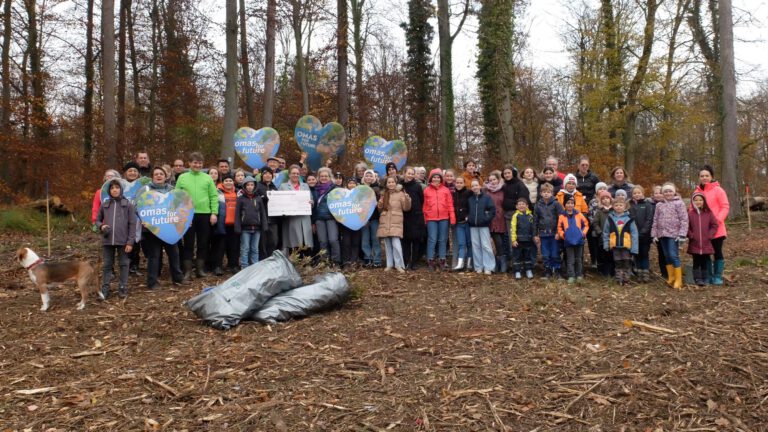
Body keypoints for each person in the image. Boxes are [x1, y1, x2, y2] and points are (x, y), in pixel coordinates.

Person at [140, 167, 187, 289]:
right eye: (156, 174)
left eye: (161, 174)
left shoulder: (172, 190)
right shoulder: (145, 190)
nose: (159, 176)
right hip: (152, 229)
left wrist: (184, 220)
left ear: (166, 176)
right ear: (152, 176)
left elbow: (179, 207)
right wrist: (142, 220)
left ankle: (178, 278)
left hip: (170, 228)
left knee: (174, 253)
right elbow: (137, 206)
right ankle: (152, 282)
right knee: (154, 256)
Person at [175, 151, 219, 279]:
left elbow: (213, 196)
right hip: (188, 215)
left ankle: (200, 270)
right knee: (188, 243)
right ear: (189, 163)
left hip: (205, 214)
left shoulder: (207, 178)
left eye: (200, 163)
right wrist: (180, 214)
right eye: (195, 162)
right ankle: (188, 271)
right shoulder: (182, 177)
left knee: (203, 242)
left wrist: (214, 213)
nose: (197, 165)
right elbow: (177, 197)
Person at [96, 180, 136, 299]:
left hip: (123, 241)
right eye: (112, 188)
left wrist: (130, 242)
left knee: (124, 264)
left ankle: (123, 287)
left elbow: (132, 224)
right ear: (109, 191)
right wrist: (101, 226)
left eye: (117, 187)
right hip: (107, 241)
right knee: (107, 265)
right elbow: (97, 220)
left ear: (121, 189)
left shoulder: (128, 205)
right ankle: (105, 289)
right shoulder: (105, 205)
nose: (114, 190)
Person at [694, 165, 730, 285]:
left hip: (717, 228)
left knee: (717, 252)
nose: (704, 178)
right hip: (702, 229)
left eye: (707, 175)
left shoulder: (718, 190)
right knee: (705, 253)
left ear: (711, 176)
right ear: (699, 177)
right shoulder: (696, 192)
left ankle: (718, 276)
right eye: (702, 176)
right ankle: (708, 275)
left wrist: (717, 221)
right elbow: (692, 209)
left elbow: (725, 207)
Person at [651, 183, 688, 289]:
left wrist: (682, 234)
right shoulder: (659, 205)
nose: (668, 193)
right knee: (666, 256)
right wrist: (654, 234)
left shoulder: (679, 203)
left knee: (673, 255)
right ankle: (671, 277)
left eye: (670, 191)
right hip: (662, 234)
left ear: (674, 192)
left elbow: (684, 220)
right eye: (666, 191)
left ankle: (679, 280)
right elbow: (655, 220)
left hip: (674, 234)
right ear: (663, 193)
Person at [423, 168, 455, 271]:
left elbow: (450, 204)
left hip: (444, 218)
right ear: (431, 178)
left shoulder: (445, 190)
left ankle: (442, 259)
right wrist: (424, 218)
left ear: (441, 179)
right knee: (432, 239)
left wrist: (452, 216)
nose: (436, 179)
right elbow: (424, 205)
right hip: (431, 218)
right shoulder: (426, 190)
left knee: (443, 239)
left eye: (438, 177)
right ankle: (430, 259)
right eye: (434, 177)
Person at [377, 176, 412, 272]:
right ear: (386, 184)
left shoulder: (400, 194)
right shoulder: (384, 194)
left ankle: (399, 264)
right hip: (385, 220)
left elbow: (406, 208)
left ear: (396, 183)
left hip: (396, 221)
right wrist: (379, 204)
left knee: (396, 244)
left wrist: (408, 199)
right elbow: (380, 210)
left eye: (393, 182)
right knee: (387, 244)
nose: (391, 184)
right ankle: (389, 264)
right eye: (389, 182)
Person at [603, 195, 638, 285]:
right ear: (613, 206)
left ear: (625, 206)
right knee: (617, 262)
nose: (618, 207)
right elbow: (606, 232)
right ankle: (619, 278)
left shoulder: (629, 219)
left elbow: (634, 234)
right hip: (615, 245)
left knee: (626, 262)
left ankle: (626, 279)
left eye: (621, 205)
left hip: (626, 246)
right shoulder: (610, 218)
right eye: (616, 205)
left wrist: (634, 248)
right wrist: (606, 244)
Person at [235, 176, 269, 269]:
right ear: (244, 186)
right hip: (245, 229)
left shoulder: (258, 198)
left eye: (252, 185)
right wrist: (237, 227)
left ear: (255, 186)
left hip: (257, 228)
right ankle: (244, 266)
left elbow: (262, 213)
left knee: (255, 249)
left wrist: (264, 225)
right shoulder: (241, 199)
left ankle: (255, 267)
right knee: (245, 248)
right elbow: (237, 214)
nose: (250, 187)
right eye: (248, 185)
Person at [687, 191, 719, 286]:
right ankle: (697, 279)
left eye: (700, 200)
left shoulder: (708, 213)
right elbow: (686, 226)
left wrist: (710, 235)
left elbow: (714, 225)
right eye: (695, 200)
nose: (698, 202)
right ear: (692, 202)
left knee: (705, 261)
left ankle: (705, 278)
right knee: (696, 261)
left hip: (706, 242)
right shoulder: (690, 214)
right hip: (695, 242)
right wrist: (690, 235)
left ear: (704, 201)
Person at [280, 165, 313, 253]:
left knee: (306, 242)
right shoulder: (283, 186)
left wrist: (311, 203)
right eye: (293, 173)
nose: (296, 175)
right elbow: (279, 202)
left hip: (305, 218)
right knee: (293, 243)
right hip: (291, 219)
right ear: (289, 174)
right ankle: (294, 264)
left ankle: (306, 264)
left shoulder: (305, 185)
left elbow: (311, 199)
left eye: (297, 173)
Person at [501, 165, 530, 268]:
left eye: (509, 173)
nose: (507, 175)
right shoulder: (504, 186)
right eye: (505, 173)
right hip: (507, 215)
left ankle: (523, 261)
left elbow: (524, 199)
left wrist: (518, 209)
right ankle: (515, 262)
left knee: (521, 238)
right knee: (511, 239)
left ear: (513, 173)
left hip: (519, 215)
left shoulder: (519, 184)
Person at [534, 183, 564, 279]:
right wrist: (536, 234)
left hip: (554, 233)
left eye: (548, 192)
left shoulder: (556, 204)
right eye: (544, 192)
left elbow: (561, 219)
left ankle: (557, 270)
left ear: (552, 193)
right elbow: (535, 220)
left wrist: (559, 232)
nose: (546, 194)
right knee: (545, 253)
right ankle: (548, 270)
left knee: (555, 252)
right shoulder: (538, 205)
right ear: (541, 193)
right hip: (543, 233)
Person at [211, 174, 240, 275]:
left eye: (230, 181)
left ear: (233, 182)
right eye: (226, 181)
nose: (228, 182)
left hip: (234, 224)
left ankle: (233, 265)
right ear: (222, 182)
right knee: (220, 246)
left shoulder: (238, 193)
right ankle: (217, 266)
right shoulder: (217, 192)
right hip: (221, 223)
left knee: (234, 246)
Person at [312, 167, 341, 265]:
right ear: (319, 177)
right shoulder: (315, 189)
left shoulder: (335, 189)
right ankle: (325, 262)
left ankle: (336, 262)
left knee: (333, 240)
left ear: (330, 177)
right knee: (322, 242)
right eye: (322, 176)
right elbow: (314, 207)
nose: (324, 178)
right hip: (319, 219)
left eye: (326, 176)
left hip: (331, 218)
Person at [558, 196, 589, 284]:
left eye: (572, 203)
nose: (570, 205)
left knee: (578, 259)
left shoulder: (579, 214)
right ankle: (571, 275)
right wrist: (563, 235)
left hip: (579, 240)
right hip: (568, 241)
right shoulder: (562, 216)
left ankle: (579, 274)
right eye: (568, 203)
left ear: (574, 204)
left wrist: (583, 233)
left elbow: (586, 225)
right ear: (565, 205)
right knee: (570, 259)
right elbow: (559, 228)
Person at [468, 179, 496, 274]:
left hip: (483, 225)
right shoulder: (470, 199)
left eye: (476, 185)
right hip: (473, 226)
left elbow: (492, 210)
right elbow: (467, 211)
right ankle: (478, 266)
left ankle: (489, 267)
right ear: (471, 188)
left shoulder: (486, 198)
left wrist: (485, 219)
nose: (475, 187)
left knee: (486, 246)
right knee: (476, 246)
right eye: (472, 186)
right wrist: (468, 218)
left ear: (480, 186)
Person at [401, 167, 425, 270]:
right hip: (405, 216)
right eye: (408, 173)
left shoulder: (417, 186)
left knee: (416, 240)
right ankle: (406, 261)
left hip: (416, 216)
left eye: (412, 174)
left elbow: (422, 200)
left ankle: (414, 262)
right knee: (406, 241)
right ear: (404, 173)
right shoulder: (400, 186)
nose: (410, 175)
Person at [629, 186, 655, 282]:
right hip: (634, 236)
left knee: (644, 254)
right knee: (637, 254)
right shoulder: (630, 206)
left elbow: (649, 219)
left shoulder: (647, 205)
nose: (637, 195)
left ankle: (645, 273)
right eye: (634, 193)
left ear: (643, 193)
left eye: (638, 192)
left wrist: (643, 232)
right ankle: (639, 273)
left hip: (645, 236)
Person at [485, 171, 508, 273]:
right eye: (490, 180)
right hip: (492, 219)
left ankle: (502, 263)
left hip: (502, 218)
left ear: (498, 180)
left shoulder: (503, 190)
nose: (492, 182)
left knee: (503, 242)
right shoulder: (486, 192)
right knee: (497, 242)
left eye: (494, 179)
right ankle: (500, 263)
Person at [361, 170, 382, 267]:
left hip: (374, 217)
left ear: (373, 178)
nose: (368, 177)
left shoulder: (377, 189)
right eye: (367, 176)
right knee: (365, 239)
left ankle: (377, 259)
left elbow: (380, 203)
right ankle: (367, 258)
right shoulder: (359, 189)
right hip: (364, 218)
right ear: (364, 177)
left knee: (375, 239)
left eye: (370, 176)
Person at [591, 190, 615, 277]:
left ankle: (613, 271)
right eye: (603, 199)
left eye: (607, 198)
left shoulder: (614, 210)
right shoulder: (599, 211)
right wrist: (599, 231)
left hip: (614, 236)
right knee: (605, 254)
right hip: (603, 236)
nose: (605, 200)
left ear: (610, 199)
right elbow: (595, 223)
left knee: (613, 254)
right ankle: (605, 271)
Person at [510, 198, 535, 279]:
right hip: (518, 240)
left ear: (527, 206)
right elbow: (513, 228)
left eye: (523, 204)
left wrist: (534, 237)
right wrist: (513, 240)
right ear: (516, 206)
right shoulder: (515, 216)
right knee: (517, 256)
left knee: (528, 255)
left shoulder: (531, 215)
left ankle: (528, 269)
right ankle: (517, 271)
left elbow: (533, 227)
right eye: (519, 204)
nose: (521, 205)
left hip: (528, 239)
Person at [258, 167, 280, 258]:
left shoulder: (275, 187)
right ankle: (262, 261)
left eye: (269, 174)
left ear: (272, 175)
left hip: (273, 219)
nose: (268, 175)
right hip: (261, 219)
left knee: (273, 241)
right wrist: (264, 197)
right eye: (265, 173)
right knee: (262, 242)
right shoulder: (257, 186)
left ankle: (270, 260)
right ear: (262, 175)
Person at [340, 177, 362, 267]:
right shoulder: (343, 195)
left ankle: (353, 261)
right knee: (346, 243)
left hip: (358, 222)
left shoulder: (360, 195)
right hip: (346, 223)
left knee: (356, 243)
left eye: (354, 183)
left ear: (356, 185)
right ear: (347, 185)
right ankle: (346, 262)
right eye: (350, 183)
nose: (352, 185)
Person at [452, 176, 472, 271]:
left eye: (461, 183)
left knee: (469, 243)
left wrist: (468, 215)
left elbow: (472, 205)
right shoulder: (453, 194)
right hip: (458, 223)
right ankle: (460, 263)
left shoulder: (468, 193)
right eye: (457, 182)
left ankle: (469, 264)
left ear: (464, 184)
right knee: (461, 243)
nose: (459, 184)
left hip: (467, 222)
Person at [651, 185, 668, 279]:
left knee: (670, 253)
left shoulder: (669, 203)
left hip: (669, 232)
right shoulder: (650, 205)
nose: (658, 195)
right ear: (653, 195)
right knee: (661, 252)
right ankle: (664, 273)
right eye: (656, 193)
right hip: (657, 233)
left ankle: (672, 272)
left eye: (660, 193)